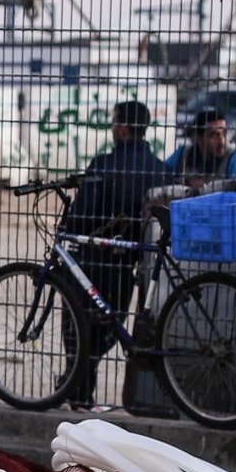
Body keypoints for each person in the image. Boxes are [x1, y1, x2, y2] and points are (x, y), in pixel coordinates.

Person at [61, 100, 171, 408]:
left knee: (79, 333)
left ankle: (78, 391)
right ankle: (77, 391)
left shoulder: (103, 165)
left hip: (92, 261)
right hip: (129, 267)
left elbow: (80, 218)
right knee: (107, 331)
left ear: (121, 129)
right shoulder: (161, 170)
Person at [166, 108, 236, 184]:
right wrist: (187, 183)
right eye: (214, 135)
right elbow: (159, 175)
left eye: (224, 133)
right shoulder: (184, 154)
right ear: (198, 138)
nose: (222, 141)